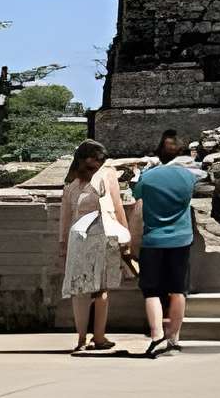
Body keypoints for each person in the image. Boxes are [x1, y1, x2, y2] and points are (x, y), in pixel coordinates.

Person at [124, 128, 205, 357]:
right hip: (181, 238)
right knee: (178, 290)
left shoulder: (149, 177)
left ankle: (156, 334)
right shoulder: (189, 177)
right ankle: (174, 337)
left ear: (159, 153)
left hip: (153, 240)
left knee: (151, 291)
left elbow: (137, 194)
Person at [57, 139, 130, 354]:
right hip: (102, 235)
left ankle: (81, 338)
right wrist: (126, 237)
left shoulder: (71, 182)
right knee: (101, 289)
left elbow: (65, 216)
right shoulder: (107, 177)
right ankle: (99, 336)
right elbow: (117, 209)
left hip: (77, 238)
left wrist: (62, 243)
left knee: (79, 290)